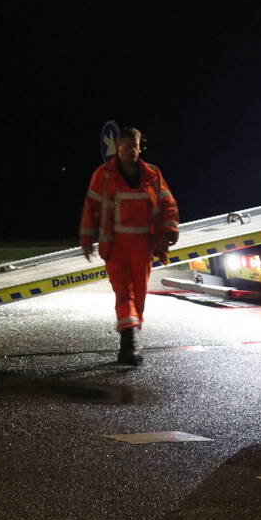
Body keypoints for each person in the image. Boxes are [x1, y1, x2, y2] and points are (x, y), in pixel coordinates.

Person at [79, 127, 179, 365]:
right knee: (124, 293)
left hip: (143, 246)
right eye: (124, 146)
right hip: (115, 247)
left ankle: (131, 338)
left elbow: (168, 205)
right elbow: (91, 208)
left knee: (139, 295)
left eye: (133, 146)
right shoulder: (103, 175)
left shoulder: (153, 174)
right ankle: (128, 345)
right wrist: (86, 239)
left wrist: (171, 229)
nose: (129, 151)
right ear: (117, 148)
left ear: (139, 147)